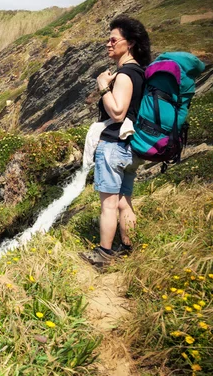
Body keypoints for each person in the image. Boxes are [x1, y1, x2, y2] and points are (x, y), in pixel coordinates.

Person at [80, 15, 152, 269]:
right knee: (124, 201)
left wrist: (102, 87)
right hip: (131, 148)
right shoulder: (141, 73)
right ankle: (128, 247)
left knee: (109, 204)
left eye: (113, 40)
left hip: (114, 146)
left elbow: (118, 112)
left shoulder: (125, 75)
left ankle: (104, 254)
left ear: (130, 43)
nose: (108, 44)